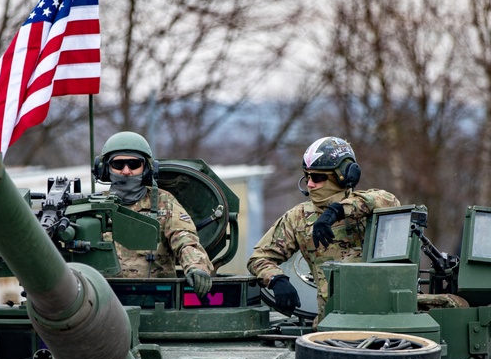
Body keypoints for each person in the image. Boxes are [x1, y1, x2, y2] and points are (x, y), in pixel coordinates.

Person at [248, 136, 400, 325]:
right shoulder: (298, 217)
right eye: (307, 176)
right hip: (331, 323)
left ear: (344, 176)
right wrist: (276, 279)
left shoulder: (369, 205)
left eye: (318, 177)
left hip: (385, 319)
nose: (310, 184)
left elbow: (389, 200)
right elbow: (259, 258)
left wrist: (337, 211)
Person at [93, 131, 214, 296]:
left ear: (147, 169)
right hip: (105, 299)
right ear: (105, 169)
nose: (126, 171)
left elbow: (185, 240)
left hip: (157, 298)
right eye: (118, 164)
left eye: (134, 164)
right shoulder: (95, 207)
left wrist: (196, 267)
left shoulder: (164, 202)